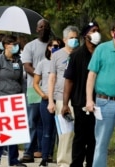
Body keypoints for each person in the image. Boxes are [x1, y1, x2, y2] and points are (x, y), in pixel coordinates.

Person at [85, 19, 115, 167]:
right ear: (112, 33)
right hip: (105, 103)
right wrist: (89, 100)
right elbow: (91, 76)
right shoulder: (102, 49)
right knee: (101, 143)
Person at [61, 21, 101, 167]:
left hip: (99, 103)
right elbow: (69, 80)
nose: (96, 33)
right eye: (92, 31)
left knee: (94, 138)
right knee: (80, 138)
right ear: (85, 36)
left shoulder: (102, 52)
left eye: (97, 30)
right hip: (80, 102)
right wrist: (65, 104)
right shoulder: (76, 55)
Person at [0, 34, 27, 167]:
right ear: (6, 45)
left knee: (14, 132)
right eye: (13, 44)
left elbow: (21, 81)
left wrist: (23, 96)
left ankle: (14, 160)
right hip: (2, 98)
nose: (16, 46)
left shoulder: (18, 61)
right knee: (1, 132)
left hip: (15, 99)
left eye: (16, 44)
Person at [20, 19, 52, 163]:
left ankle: (45, 151)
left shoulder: (54, 46)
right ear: (37, 29)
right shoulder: (30, 46)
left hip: (50, 90)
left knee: (47, 123)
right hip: (34, 88)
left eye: (46, 27)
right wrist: (41, 77)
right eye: (41, 27)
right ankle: (28, 151)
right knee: (32, 121)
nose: (44, 29)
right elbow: (27, 66)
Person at [47, 25, 80, 167]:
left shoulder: (81, 54)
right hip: (61, 99)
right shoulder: (57, 55)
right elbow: (52, 78)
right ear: (65, 39)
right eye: (71, 38)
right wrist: (51, 101)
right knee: (65, 133)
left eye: (76, 38)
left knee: (78, 133)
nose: (74, 40)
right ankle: (64, 162)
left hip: (79, 98)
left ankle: (77, 160)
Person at [33, 37, 64, 166]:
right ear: (49, 48)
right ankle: (45, 157)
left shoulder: (65, 62)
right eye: (53, 46)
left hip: (61, 99)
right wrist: (43, 95)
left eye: (58, 46)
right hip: (46, 100)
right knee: (47, 130)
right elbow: (35, 83)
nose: (55, 48)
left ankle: (61, 158)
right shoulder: (42, 63)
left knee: (61, 132)